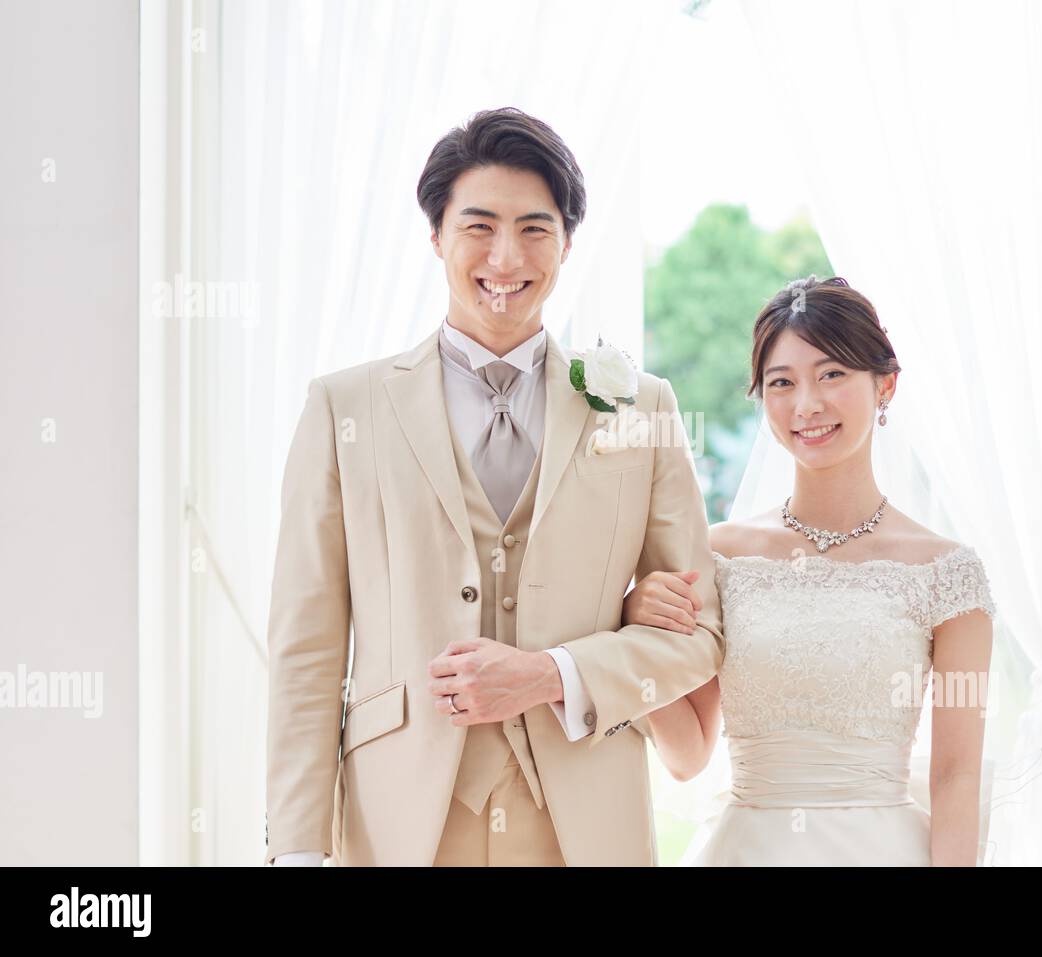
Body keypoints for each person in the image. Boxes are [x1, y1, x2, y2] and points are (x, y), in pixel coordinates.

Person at [265, 107, 723, 866]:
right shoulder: (344, 409)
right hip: (399, 821)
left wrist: (555, 673)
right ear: (437, 236)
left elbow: (700, 636)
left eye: (535, 229)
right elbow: (306, 651)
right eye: (478, 226)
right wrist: (296, 851)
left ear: (568, 243)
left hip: (584, 821)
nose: (505, 256)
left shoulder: (642, 409)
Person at [622, 276, 997, 865]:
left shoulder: (948, 574)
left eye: (832, 375)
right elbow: (686, 753)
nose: (807, 405)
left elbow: (955, 777)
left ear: (885, 386)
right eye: (782, 383)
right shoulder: (718, 557)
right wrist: (632, 627)